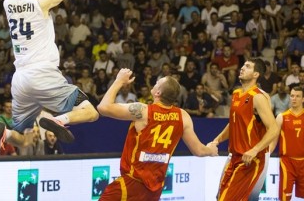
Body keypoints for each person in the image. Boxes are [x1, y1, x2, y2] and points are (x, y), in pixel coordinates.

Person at [0, 0, 99, 160]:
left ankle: (5, 133)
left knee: (23, 134)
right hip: (44, 76)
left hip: (20, 80)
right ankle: (59, 120)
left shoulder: (9, 4)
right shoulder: (41, 4)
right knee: (90, 111)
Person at [97, 69, 218, 200]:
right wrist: (211, 150)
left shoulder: (143, 111)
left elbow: (103, 107)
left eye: (157, 83)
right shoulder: (183, 116)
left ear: (158, 92)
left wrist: (119, 81)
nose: (154, 84)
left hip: (132, 182)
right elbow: (199, 151)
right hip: (155, 188)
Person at [209, 58, 279, 201]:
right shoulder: (236, 94)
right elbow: (233, 124)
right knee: (220, 197)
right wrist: (216, 140)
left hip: (250, 160)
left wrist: (255, 149)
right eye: (243, 65)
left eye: (247, 66)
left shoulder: (259, 97)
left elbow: (274, 128)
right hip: (234, 156)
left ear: (256, 74)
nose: (242, 68)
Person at [269, 86, 304, 201]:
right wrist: (265, 155)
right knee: (284, 198)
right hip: (287, 162)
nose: (294, 98)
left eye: (298, 96)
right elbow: (273, 141)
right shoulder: (281, 117)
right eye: (292, 96)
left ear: (303, 99)